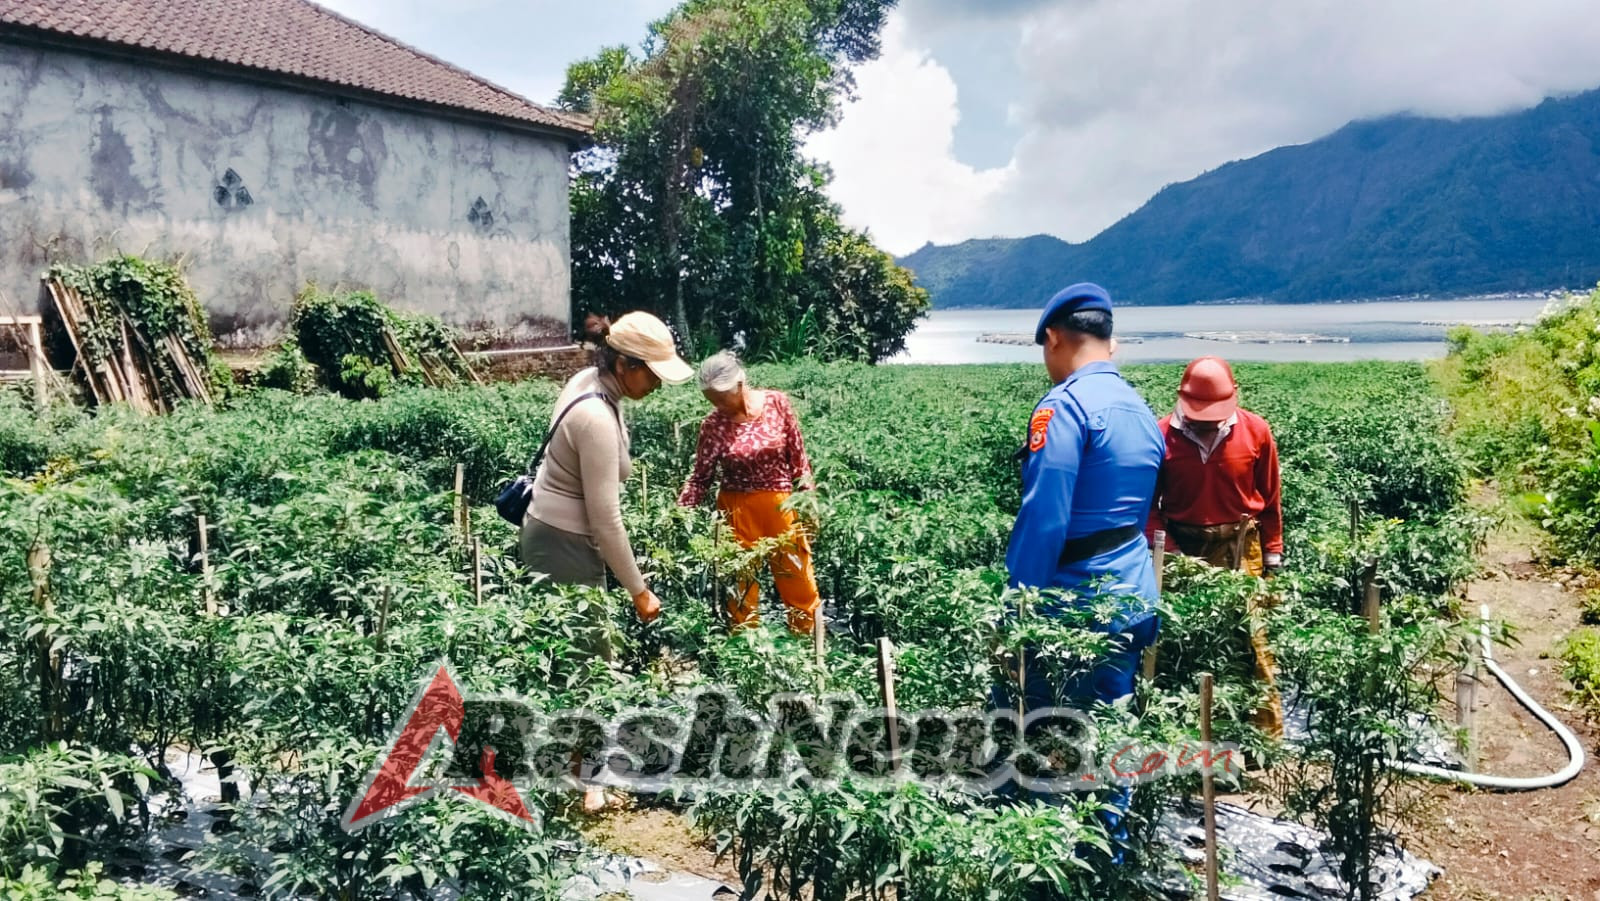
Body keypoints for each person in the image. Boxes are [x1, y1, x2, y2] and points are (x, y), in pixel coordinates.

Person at [1002, 282, 1165, 854]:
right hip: (1131, 591)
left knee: (1051, 737)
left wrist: (1016, 608)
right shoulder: (1142, 411)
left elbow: (1045, 518)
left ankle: (1056, 866)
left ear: (1054, 337)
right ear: (1108, 341)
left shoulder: (1063, 406)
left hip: (1073, 604)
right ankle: (1109, 856)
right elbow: (1142, 513)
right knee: (1114, 730)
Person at [1146, 355, 1285, 736]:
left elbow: (1270, 500)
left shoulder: (1256, 431)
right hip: (1183, 549)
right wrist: (1171, 554)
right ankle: (1188, 738)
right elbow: (1148, 509)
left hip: (1241, 547)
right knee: (1185, 642)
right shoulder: (1159, 436)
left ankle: (1262, 740)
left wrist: (1273, 557)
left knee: (1252, 642)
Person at [678, 351, 820, 635]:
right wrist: (680, 512)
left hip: (781, 507)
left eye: (721, 398)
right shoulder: (713, 425)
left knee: (799, 583)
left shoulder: (777, 403)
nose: (717, 405)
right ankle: (746, 656)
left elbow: (799, 459)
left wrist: (809, 499)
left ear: (740, 386)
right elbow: (700, 477)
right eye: (711, 401)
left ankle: (808, 654)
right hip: (736, 512)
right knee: (740, 592)